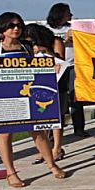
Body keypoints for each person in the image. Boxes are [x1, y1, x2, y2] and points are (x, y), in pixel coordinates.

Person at [0, 12, 67, 187]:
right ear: (3, 29)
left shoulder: (27, 46)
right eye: (12, 26)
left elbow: (43, 64)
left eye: (19, 25)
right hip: (4, 96)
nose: (16, 29)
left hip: (27, 92)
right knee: (5, 133)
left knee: (38, 130)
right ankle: (11, 173)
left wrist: (52, 64)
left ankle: (51, 164)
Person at [21, 23, 66, 163]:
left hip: (56, 82)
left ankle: (57, 148)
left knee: (56, 117)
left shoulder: (55, 41)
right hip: (38, 83)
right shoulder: (27, 47)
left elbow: (61, 60)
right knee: (41, 117)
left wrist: (46, 51)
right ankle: (44, 149)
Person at [45, 2, 87, 138]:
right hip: (56, 67)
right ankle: (54, 130)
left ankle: (79, 128)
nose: (71, 14)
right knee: (56, 99)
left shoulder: (73, 27)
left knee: (76, 97)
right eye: (68, 12)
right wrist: (64, 41)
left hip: (73, 65)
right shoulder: (47, 30)